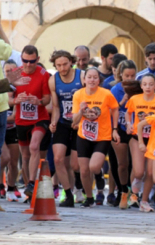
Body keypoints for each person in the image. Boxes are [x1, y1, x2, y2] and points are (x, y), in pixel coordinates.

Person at [72, 67, 120, 207]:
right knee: (84, 170)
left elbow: (115, 108)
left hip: (102, 135)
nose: (92, 80)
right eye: (89, 77)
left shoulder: (106, 94)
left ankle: (98, 175)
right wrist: (81, 110)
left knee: (93, 167)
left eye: (95, 77)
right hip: (84, 135)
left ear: (99, 80)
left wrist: (115, 129)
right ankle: (89, 197)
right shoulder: (78, 95)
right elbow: (74, 120)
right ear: (84, 79)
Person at [13, 45, 51, 197]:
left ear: (38, 60)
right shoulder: (15, 74)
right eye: (25, 61)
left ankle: (31, 183)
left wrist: (39, 101)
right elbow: (8, 98)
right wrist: (16, 100)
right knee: (26, 155)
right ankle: (30, 190)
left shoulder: (44, 74)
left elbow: (48, 99)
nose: (28, 65)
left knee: (34, 147)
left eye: (32, 61)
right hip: (21, 120)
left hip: (39, 118)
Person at [48, 50, 84, 207]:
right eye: (58, 65)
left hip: (79, 123)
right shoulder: (53, 80)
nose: (62, 68)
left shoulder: (81, 76)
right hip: (63, 122)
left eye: (64, 64)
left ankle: (79, 187)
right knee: (58, 159)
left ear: (71, 62)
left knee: (75, 165)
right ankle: (68, 195)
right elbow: (56, 106)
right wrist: (53, 122)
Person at [125, 74, 155, 212]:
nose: (148, 87)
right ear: (141, 86)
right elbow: (128, 113)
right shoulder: (135, 99)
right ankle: (133, 193)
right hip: (137, 137)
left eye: (151, 84)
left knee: (151, 173)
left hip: (154, 139)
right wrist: (129, 124)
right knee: (139, 172)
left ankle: (144, 201)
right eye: (145, 84)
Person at [110, 60, 137, 209]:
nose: (130, 79)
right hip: (118, 127)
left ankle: (133, 193)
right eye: (127, 75)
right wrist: (123, 101)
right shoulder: (115, 90)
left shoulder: (140, 89)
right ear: (121, 75)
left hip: (133, 128)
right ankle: (122, 191)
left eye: (133, 75)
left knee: (135, 164)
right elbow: (111, 110)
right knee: (121, 164)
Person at [1, 60, 22, 202]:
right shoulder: (2, 88)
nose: (9, 72)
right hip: (3, 127)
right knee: (4, 158)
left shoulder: (19, 87)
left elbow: (16, 115)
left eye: (12, 70)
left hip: (14, 129)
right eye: (6, 70)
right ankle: (1, 185)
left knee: (14, 162)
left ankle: (11, 187)